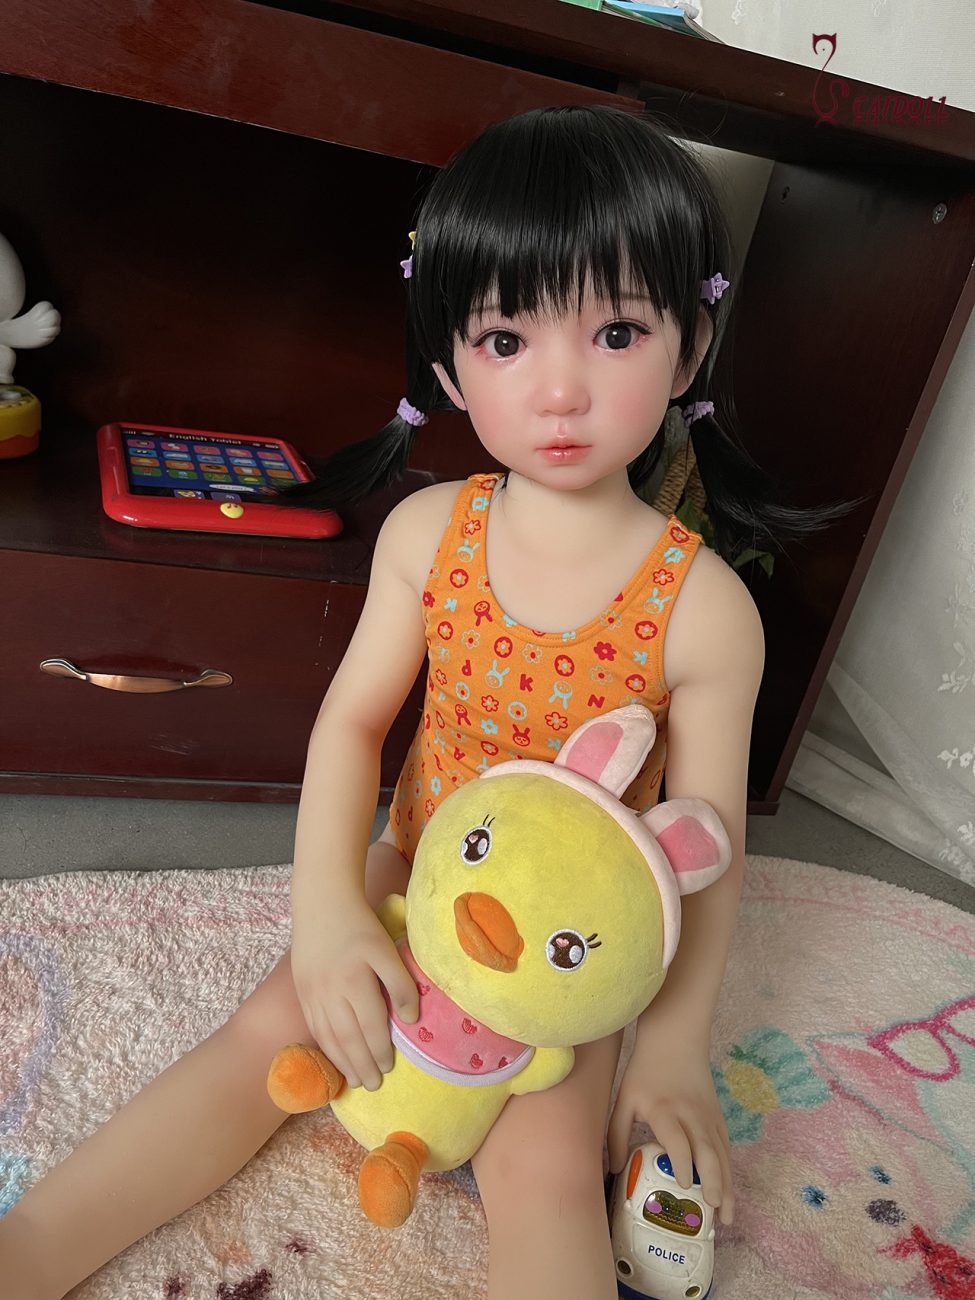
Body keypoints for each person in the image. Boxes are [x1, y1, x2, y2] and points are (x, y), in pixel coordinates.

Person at [0, 104, 848, 1300]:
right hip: (417, 868)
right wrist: (328, 915)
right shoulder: (425, 535)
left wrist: (669, 1051)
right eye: (507, 338)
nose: (560, 389)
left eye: (614, 331)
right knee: (262, 1037)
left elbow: (709, 848)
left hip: (569, 945)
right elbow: (353, 724)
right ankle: (29, 1251)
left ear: (689, 347)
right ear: (449, 362)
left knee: (546, 1172)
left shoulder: (707, 610)